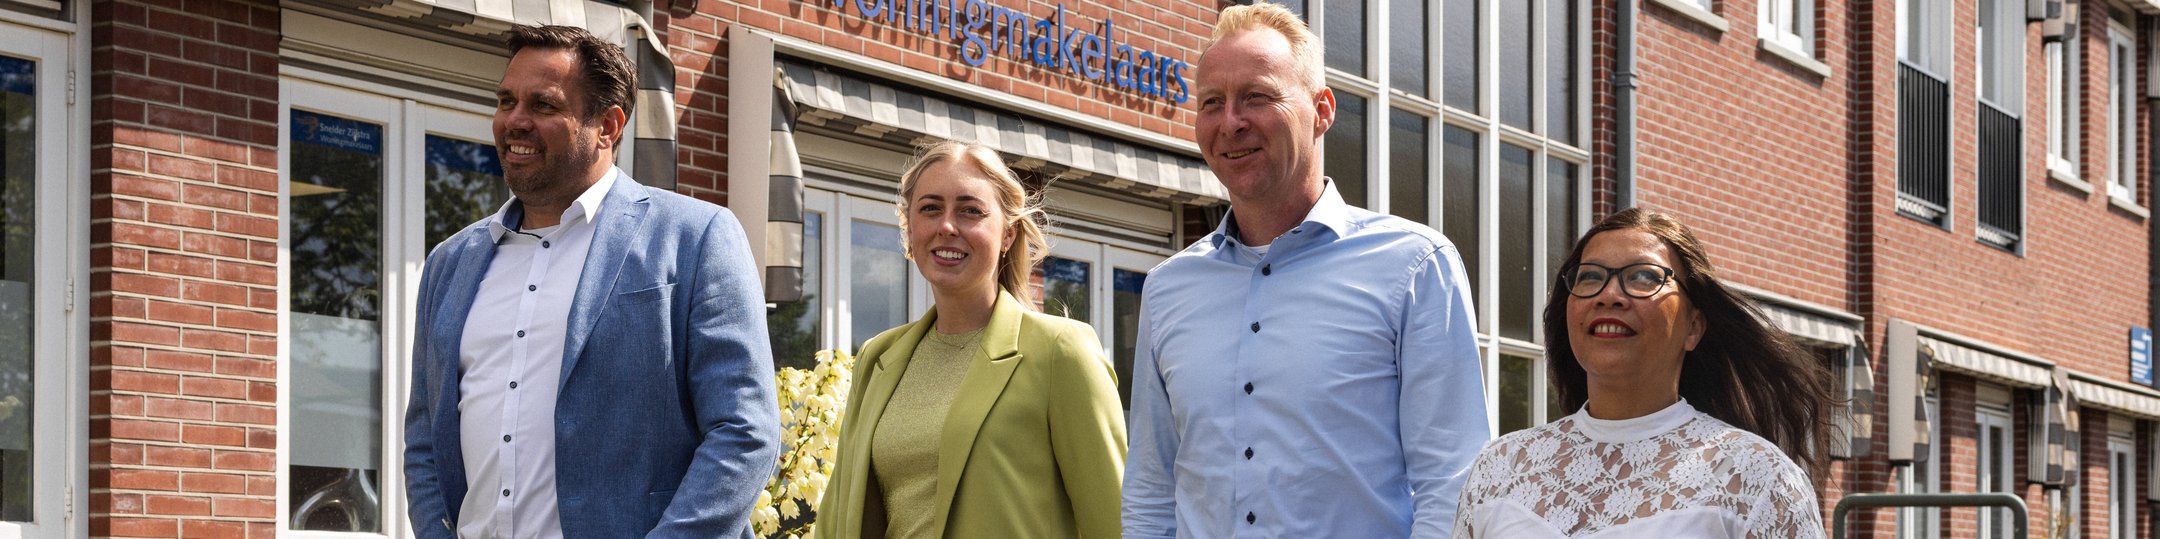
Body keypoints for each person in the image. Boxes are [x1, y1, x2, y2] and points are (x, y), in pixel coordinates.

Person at [1121, 4, 1489, 537]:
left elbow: (1453, 486)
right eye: (1211, 103)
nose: (1231, 122)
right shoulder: (1168, 289)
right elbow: (1152, 492)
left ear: (1322, 110)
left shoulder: (1414, 268)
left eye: (1257, 97)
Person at [402, 25, 778, 538]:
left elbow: (744, 431)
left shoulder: (695, 238)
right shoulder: (450, 263)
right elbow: (425, 440)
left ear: (608, 125)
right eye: (506, 101)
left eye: (544, 105)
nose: (515, 121)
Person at [1451, 208, 1832, 538]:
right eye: (1589, 276)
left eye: (1643, 277)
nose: (1609, 294)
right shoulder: (1501, 467)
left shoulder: (1757, 477)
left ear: (1694, 327)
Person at [814, 142, 1126, 538]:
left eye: (970, 211)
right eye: (930, 208)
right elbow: (836, 519)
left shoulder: (1060, 352)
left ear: (1008, 234)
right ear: (910, 229)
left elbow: (1117, 523)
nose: (947, 226)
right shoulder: (879, 358)